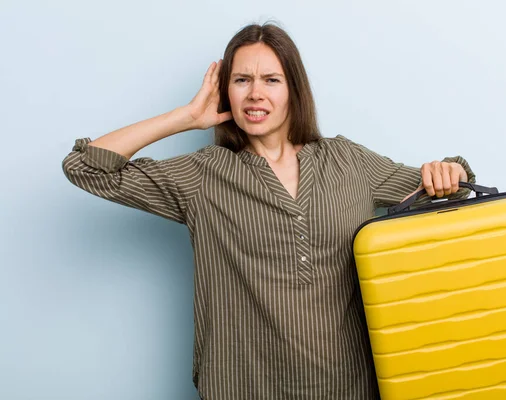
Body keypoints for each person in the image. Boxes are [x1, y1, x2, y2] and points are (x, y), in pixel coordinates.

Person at [62, 22, 476, 400]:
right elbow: (85, 167)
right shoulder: (203, 174)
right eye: (241, 80)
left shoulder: (348, 161)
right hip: (241, 385)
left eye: (271, 80)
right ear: (226, 91)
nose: (255, 93)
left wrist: (450, 171)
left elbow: (443, 190)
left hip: (348, 385)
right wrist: (185, 117)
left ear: (293, 89)